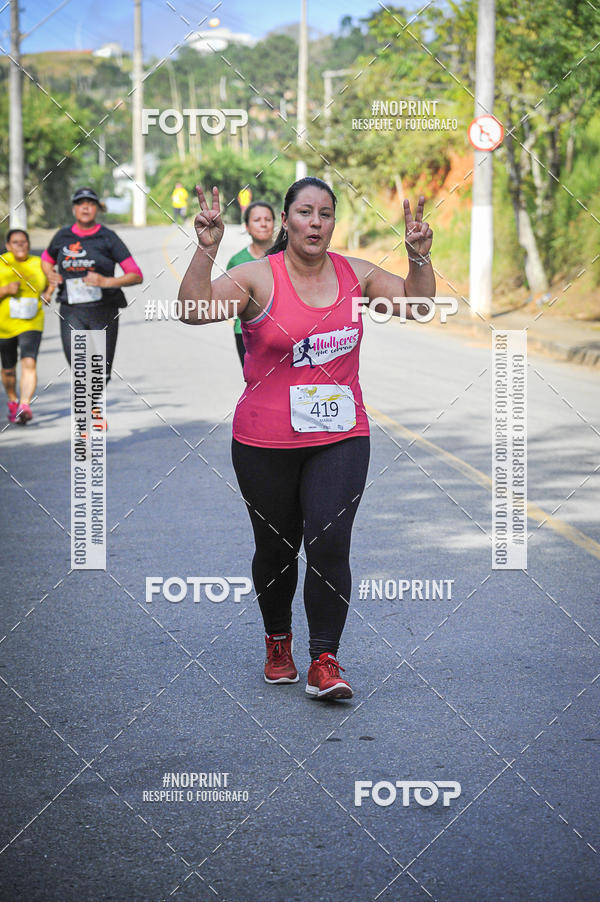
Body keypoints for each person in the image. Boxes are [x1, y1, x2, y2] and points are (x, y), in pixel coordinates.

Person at [178, 176, 434, 700]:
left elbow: (418, 304)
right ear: (286, 220)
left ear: (333, 222)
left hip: (341, 436)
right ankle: (278, 641)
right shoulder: (256, 277)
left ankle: (324, 659)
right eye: (304, 212)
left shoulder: (356, 275)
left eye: (325, 214)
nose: (315, 223)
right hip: (264, 442)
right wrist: (206, 250)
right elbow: (192, 310)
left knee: (329, 543)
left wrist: (418, 258)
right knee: (276, 550)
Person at [41, 187, 143, 402]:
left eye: (90, 203)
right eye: (80, 203)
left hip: (104, 311)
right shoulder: (62, 236)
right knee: (79, 367)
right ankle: (89, 413)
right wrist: (50, 275)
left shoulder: (108, 237)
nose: (85, 207)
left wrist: (106, 282)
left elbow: (136, 275)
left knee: (100, 370)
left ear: (97, 208)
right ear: (74, 209)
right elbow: (46, 259)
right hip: (71, 311)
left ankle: (93, 404)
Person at [0, 229, 50, 424]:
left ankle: (24, 405)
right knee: (8, 369)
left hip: (32, 321)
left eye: (23, 241)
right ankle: (13, 401)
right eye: (15, 242)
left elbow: (52, 280)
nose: (20, 245)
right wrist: (5, 290)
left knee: (29, 362)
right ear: (8, 245)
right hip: (4, 325)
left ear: (28, 244)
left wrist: (49, 293)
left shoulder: (39, 263)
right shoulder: (2, 263)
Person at [226, 200, 275, 367]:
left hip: (283, 332)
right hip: (246, 334)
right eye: (257, 220)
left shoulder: (289, 256)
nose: (263, 224)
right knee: (254, 379)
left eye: (268, 219)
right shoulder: (237, 261)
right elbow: (230, 302)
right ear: (246, 226)